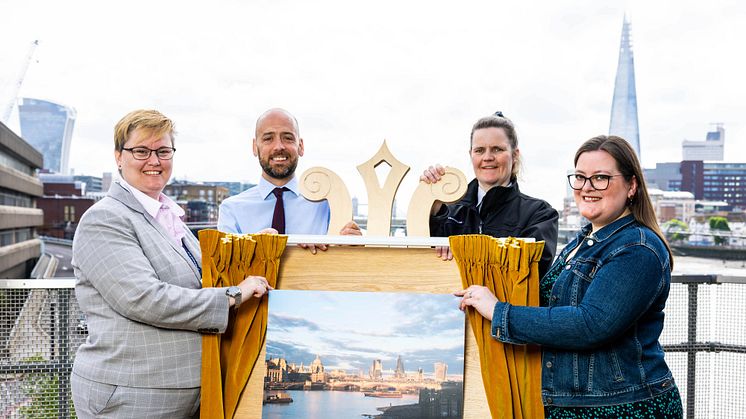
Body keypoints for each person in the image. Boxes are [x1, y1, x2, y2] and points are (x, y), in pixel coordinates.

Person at [457, 135, 683, 417]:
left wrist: (499, 312)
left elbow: (590, 324)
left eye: (601, 178)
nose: (587, 188)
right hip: (576, 406)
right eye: (580, 177)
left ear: (631, 185)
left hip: (623, 407)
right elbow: (543, 304)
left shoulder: (638, 248)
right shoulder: (584, 240)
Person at [71, 109, 271, 418]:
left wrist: (261, 245)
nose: (154, 160)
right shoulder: (104, 219)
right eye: (141, 151)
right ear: (118, 156)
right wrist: (234, 296)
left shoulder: (167, 217)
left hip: (179, 397)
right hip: (131, 398)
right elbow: (145, 299)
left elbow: (205, 275)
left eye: (163, 151)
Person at [421, 112, 558, 278]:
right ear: (470, 155)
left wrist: (460, 252)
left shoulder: (540, 214)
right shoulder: (447, 213)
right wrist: (431, 207)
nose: (487, 157)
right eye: (479, 150)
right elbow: (421, 266)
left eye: (497, 149)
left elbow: (530, 272)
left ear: (514, 155)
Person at [218, 108, 360, 253]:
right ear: (255, 147)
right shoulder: (231, 210)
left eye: (288, 138)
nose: (279, 146)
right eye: (268, 138)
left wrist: (357, 246)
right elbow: (224, 273)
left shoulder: (328, 205)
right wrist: (253, 250)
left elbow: (346, 262)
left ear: (301, 146)